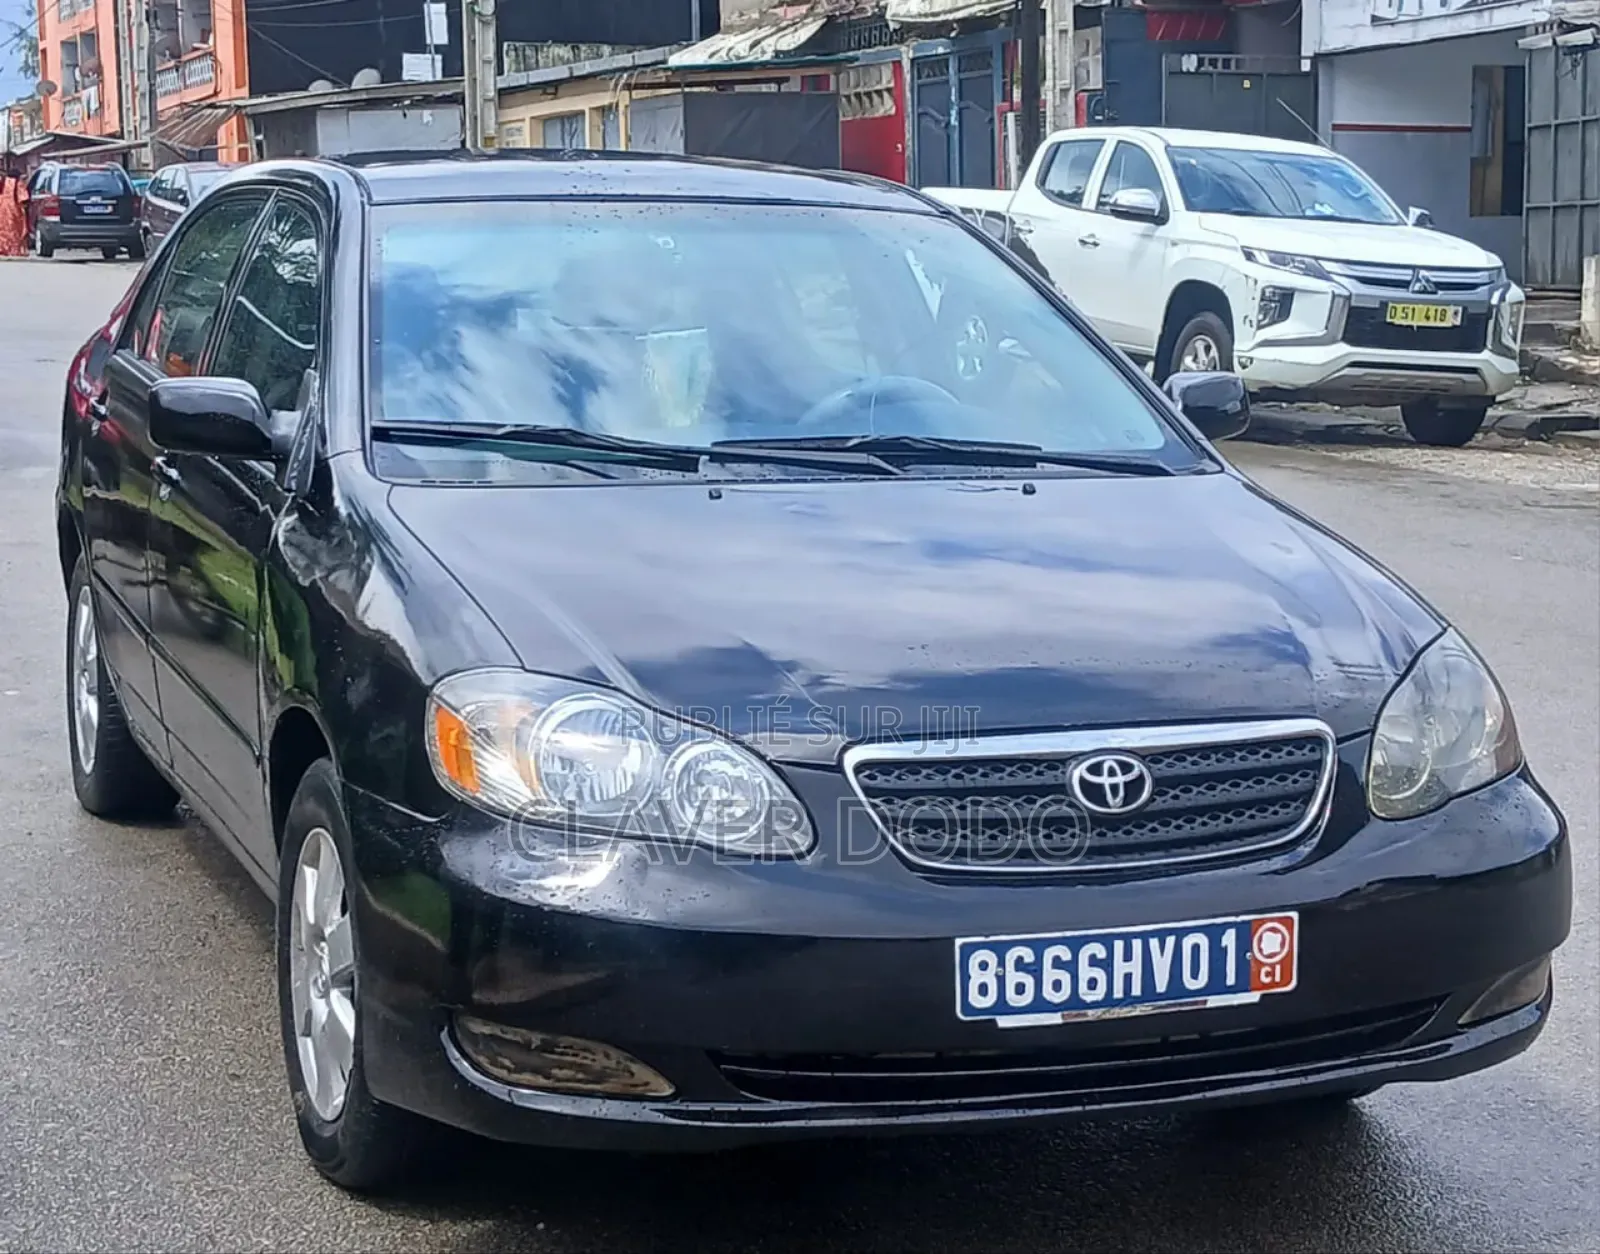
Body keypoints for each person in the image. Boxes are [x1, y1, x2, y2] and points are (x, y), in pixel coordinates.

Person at [0, 170, 28, 258]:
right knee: (15, 231)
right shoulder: (18, 183)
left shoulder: (3, 181)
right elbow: (23, 198)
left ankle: (3, 249)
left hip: (2, 208)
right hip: (14, 209)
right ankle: (13, 250)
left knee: (3, 230)